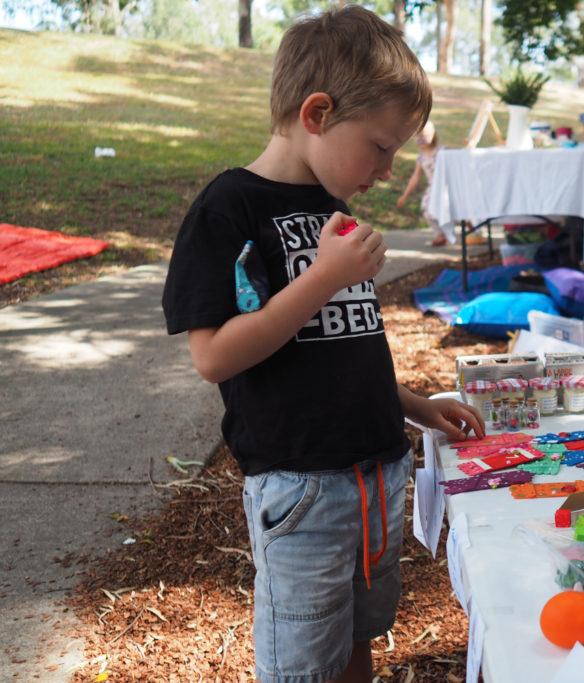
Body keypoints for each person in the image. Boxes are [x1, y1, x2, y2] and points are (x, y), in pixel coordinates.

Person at [161, 8, 485, 682]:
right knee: (304, 663)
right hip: (303, 484)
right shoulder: (231, 209)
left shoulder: (331, 206)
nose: (390, 169)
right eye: (381, 146)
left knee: (358, 636)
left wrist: (419, 407)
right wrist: (323, 276)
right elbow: (214, 355)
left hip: (375, 471)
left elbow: (340, 349)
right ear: (316, 113)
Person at [397, 120, 447, 246]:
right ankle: (440, 235)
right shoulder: (422, 157)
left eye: (423, 137)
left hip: (446, 187)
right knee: (427, 210)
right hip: (433, 188)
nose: (420, 140)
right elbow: (416, 177)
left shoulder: (442, 151)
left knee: (448, 210)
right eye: (418, 137)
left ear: (432, 135)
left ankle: (471, 228)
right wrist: (405, 195)